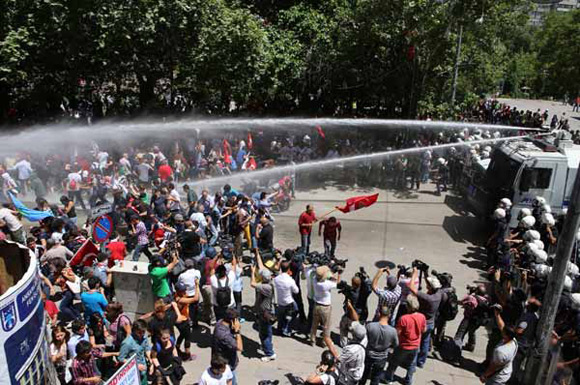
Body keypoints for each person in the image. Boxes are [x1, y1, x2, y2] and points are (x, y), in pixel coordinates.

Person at [384, 294, 426, 385]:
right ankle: (408, 381)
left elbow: (397, 333)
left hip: (403, 345)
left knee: (394, 362)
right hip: (415, 345)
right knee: (411, 364)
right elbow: (424, 330)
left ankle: (388, 378)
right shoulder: (422, 316)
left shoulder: (404, 318)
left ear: (408, 306)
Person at [407, 267, 443, 368]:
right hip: (431, 323)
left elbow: (411, 287)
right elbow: (431, 284)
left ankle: (412, 361)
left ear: (430, 288)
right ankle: (421, 361)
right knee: (426, 342)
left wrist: (415, 273)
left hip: (423, 323)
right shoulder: (438, 294)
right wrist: (426, 273)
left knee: (417, 341)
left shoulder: (428, 298)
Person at [361, 305, 399, 385]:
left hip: (369, 355)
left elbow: (364, 338)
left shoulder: (370, 326)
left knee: (364, 374)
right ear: (389, 315)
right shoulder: (392, 331)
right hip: (381, 358)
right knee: (376, 378)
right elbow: (396, 344)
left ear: (379, 314)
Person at [480, 306, 518, 385]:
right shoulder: (513, 341)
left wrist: (484, 375)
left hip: (497, 379)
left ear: (506, 335)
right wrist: (497, 314)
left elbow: (493, 367)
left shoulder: (501, 351)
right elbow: (502, 326)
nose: (501, 332)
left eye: (503, 332)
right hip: (506, 373)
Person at [310, 265, 340, 358]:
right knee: (326, 326)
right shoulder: (326, 284)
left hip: (317, 305)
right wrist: (338, 274)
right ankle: (324, 341)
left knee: (314, 324)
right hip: (325, 307)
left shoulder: (315, 280)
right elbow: (337, 283)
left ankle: (312, 340)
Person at [250, 264, 276, 362]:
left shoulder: (265, 287)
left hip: (264, 313)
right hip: (268, 311)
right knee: (268, 331)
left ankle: (270, 353)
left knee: (263, 334)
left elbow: (252, 284)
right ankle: (268, 346)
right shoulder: (270, 283)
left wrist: (252, 273)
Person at [212, 309, 243, 385]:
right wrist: (237, 331)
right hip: (226, 363)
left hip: (226, 360)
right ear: (233, 321)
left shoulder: (220, 322)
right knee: (231, 380)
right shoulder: (223, 335)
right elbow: (240, 348)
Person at [119, 319, 153, 385]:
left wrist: (150, 361)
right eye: (139, 332)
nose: (142, 334)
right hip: (133, 373)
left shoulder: (144, 336)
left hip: (143, 370)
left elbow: (147, 348)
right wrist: (136, 365)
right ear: (134, 330)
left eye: (143, 331)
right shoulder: (127, 343)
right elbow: (121, 358)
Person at [273, 260, 299, 337]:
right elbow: (296, 291)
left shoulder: (277, 279)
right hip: (289, 301)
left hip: (280, 301)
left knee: (280, 317)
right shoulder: (290, 280)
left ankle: (279, 329)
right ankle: (287, 329)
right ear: (288, 269)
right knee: (294, 312)